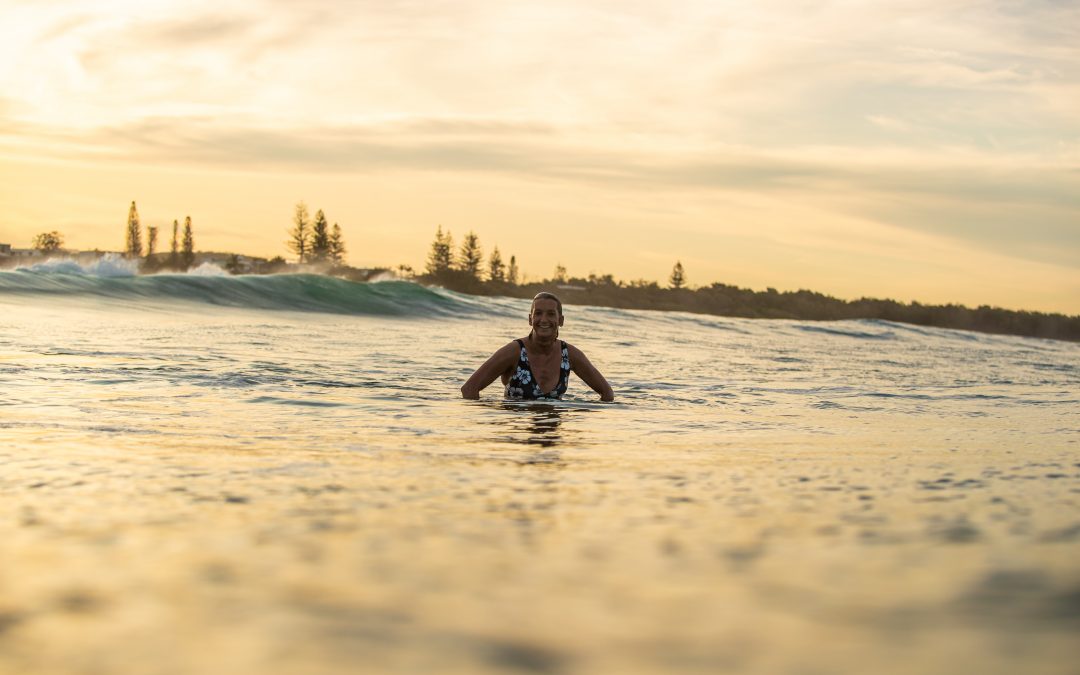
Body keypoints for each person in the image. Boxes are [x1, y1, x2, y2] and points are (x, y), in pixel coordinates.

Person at [461, 292, 614, 402]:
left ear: (560, 320)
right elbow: (469, 389)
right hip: (518, 433)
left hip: (554, 435)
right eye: (538, 313)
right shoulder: (514, 352)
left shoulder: (569, 355)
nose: (544, 320)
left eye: (551, 314)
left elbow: (607, 393)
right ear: (530, 319)